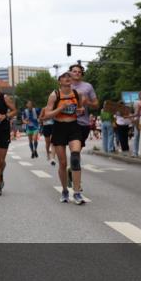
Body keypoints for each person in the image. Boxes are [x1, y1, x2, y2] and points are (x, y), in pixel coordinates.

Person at [41, 71, 89, 204]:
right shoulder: (54, 95)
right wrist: (60, 108)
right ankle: (64, 190)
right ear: (59, 81)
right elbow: (47, 114)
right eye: (64, 77)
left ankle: (77, 192)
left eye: (69, 77)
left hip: (74, 127)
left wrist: (80, 111)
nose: (67, 79)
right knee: (63, 163)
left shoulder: (76, 94)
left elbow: (80, 109)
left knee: (75, 158)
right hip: (59, 128)